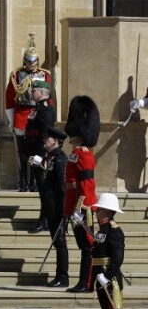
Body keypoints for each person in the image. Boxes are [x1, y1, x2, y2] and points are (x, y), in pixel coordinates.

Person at [4, 33, 52, 192]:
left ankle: (36, 180)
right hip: (21, 117)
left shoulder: (45, 75)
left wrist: (48, 121)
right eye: (29, 60)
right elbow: (10, 98)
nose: (32, 63)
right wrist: (12, 120)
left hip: (39, 116)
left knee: (39, 150)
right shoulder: (16, 75)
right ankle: (23, 180)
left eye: (35, 60)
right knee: (22, 153)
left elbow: (49, 99)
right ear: (25, 60)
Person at [62, 95, 99, 294]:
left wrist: (80, 209)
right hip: (75, 207)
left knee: (88, 248)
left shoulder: (84, 155)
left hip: (84, 209)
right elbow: (71, 185)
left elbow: (86, 185)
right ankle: (83, 281)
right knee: (83, 247)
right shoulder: (76, 153)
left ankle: (86, 282)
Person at [31, 126, 70, 287]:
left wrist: (63, 210)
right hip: (50, 209)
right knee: (57, 243)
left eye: (47, 140)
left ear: (55, 141)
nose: (45, 143)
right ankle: (59, 275)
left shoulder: (60, 159)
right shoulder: (50, 158)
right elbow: (44, 186)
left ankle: (62, 277)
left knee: (60, 243)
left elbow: (62, 188)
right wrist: (36, 169)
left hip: (58, 209)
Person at [89, 192, 126, 309]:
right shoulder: (103, 229)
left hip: (110, 280)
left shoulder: (114, 231)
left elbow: (117, 258)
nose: (96, 212)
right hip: (101, 277)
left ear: (107, 211)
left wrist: (107, 276)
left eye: (100, 209)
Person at [24, 80, 56, 227]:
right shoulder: (38, 109)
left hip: (41, 155)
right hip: (35, 153)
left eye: (34, 90)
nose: (32, 92)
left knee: (45, 190)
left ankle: (46, 220)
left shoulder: (46, 111)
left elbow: (46, 136)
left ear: (42, 93)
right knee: (42, 190)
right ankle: (44, 219)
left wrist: (41, 156)